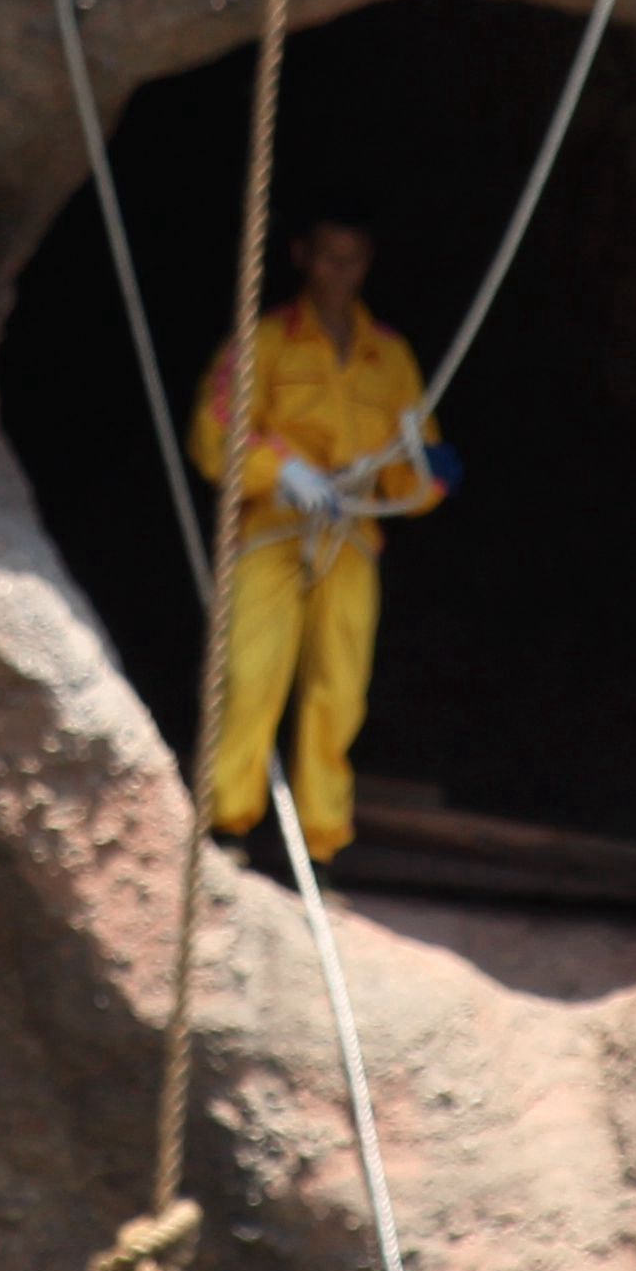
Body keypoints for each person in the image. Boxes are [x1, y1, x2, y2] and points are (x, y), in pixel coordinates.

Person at [184, 214, 458, 859]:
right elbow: (213, 431)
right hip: (273, 529)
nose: (340, 272)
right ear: (302, 257)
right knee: (250, 675)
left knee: (340, 689)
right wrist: (282, 471)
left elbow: (413, 456)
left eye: (353, 259)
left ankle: (321, 844)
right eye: (328, 257)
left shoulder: (388, 355)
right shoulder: (266, 341)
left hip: (352, 535)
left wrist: (433, 474)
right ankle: (228, 825)